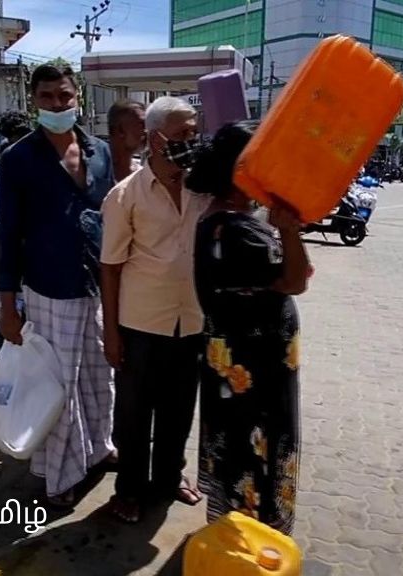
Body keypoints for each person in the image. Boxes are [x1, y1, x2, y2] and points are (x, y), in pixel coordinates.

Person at [0, 64, 116, 506]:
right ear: (34, 101)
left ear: (77, 95)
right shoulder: (17, 159)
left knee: (99, 377)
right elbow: (8, 236)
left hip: (95, 285)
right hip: (48, 288)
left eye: (64, 95)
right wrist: (7, 308)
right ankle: (60, 475)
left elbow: (110, 218)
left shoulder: (99, 152)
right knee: (59, 386)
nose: (57, 104)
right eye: (46, 96)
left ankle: (100, 448)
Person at [187, 121, 309, 535]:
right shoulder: (236, 230)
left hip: (237, 360)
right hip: (256, 366)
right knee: (253, 444)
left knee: (236, 440)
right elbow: (295, 280)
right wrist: (288, 230)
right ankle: (250, 536)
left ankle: (235, 528)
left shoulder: (224, 217)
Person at [100, 97, 209, 523]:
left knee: (178, 411)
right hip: (140, 326)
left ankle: (168, 478)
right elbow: (110, 268)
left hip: (191, 322)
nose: (192, 140)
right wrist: (111, 334)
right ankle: (128, 490)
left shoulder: (203, 189)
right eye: (183, 133)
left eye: (194, 132)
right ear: (155, 139)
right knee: (133, 415)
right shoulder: (125, 196)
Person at [107, 100, 146, 182]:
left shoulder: (140, 176)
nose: (146, 131)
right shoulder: (96, 170)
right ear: (120, 130)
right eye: (141, 125)